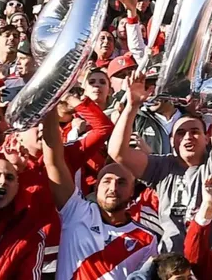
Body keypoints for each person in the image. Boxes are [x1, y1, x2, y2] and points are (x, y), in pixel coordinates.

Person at [108, 70, 212, 252]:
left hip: (211, 257)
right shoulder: (162, 167)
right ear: (172, 142)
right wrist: (132, 105)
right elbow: (118, 153)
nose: (188, 137)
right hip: (172, 259)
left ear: (206, 138)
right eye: (180, 133)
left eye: (195, 132)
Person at [41, 108, 157, 280]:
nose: (113, 188)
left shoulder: (147, 239)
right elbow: (54, 161)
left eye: (122, 182)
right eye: (107, 181)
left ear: (132, 190)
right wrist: (49, 106)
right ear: (96, 187)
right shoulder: (75, 211)